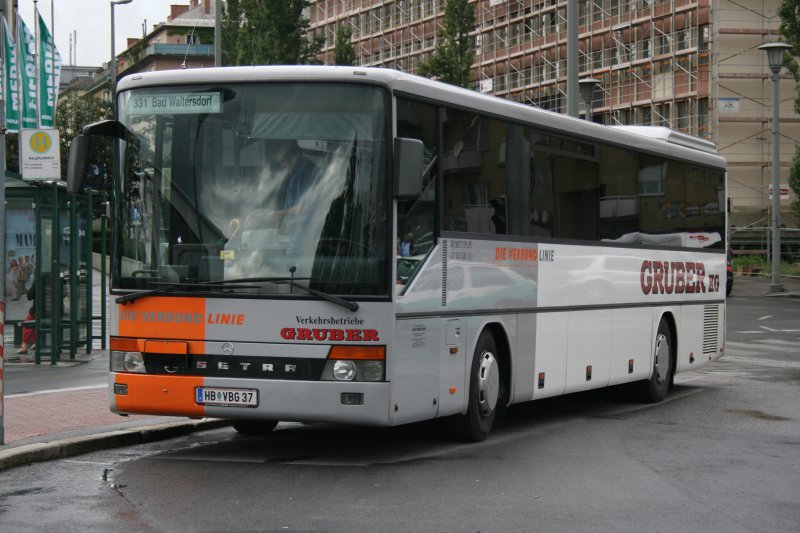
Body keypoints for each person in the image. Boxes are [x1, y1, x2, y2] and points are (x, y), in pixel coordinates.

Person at [18, 282, 36, 354]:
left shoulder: (38, 280)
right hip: (54, 311)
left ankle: (24, 346)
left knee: (28, 322)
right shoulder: (56, 279)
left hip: (38, 310)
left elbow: (29, 296)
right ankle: (36, 343)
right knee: (35, 322)